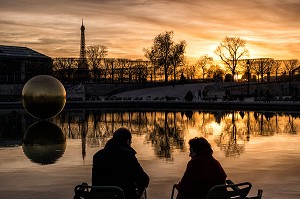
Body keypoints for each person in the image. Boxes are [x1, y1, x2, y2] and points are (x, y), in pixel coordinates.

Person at [92, 127, 150, 199]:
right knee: (142, 188)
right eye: (130, 142)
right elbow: (143, 180)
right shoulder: (128, 155)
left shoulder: (97, 156)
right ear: (128, 141)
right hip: (122, 196)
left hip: (99, 196)